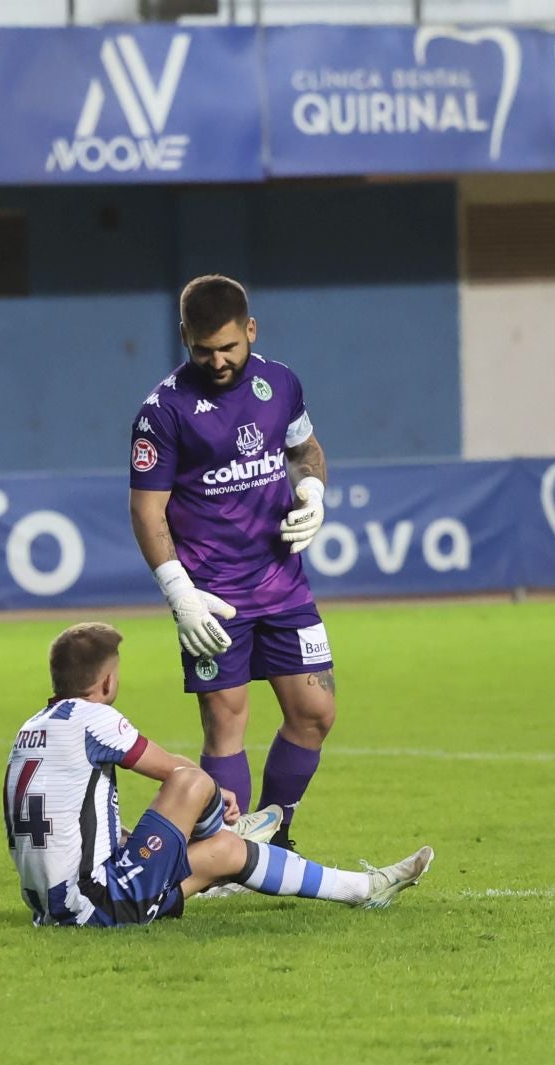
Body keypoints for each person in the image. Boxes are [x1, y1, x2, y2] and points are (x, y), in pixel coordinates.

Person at [2, 622, 432, 928]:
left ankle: (366, 888)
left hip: (55, 910)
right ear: (108, 681)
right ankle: (232, 825)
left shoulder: (31, 727)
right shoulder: (93, 717)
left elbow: (66, 825)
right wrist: (209, 804)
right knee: (191, 780)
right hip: (101, 901)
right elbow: (171, 770)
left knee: (227, 853)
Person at [127, 274, 334, 852]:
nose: (217, 361)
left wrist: (313, 493)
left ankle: (275, 837)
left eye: (228, 348)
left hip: (283, 583)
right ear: (183, 338)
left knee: (316, 711)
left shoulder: (281, 384)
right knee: (226, 723)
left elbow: (304, 450)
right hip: (212, 596)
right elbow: (148, 512)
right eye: (202, 350)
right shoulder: (162, 411)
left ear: (250, 330)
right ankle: (227, 855)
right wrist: (179, 593)